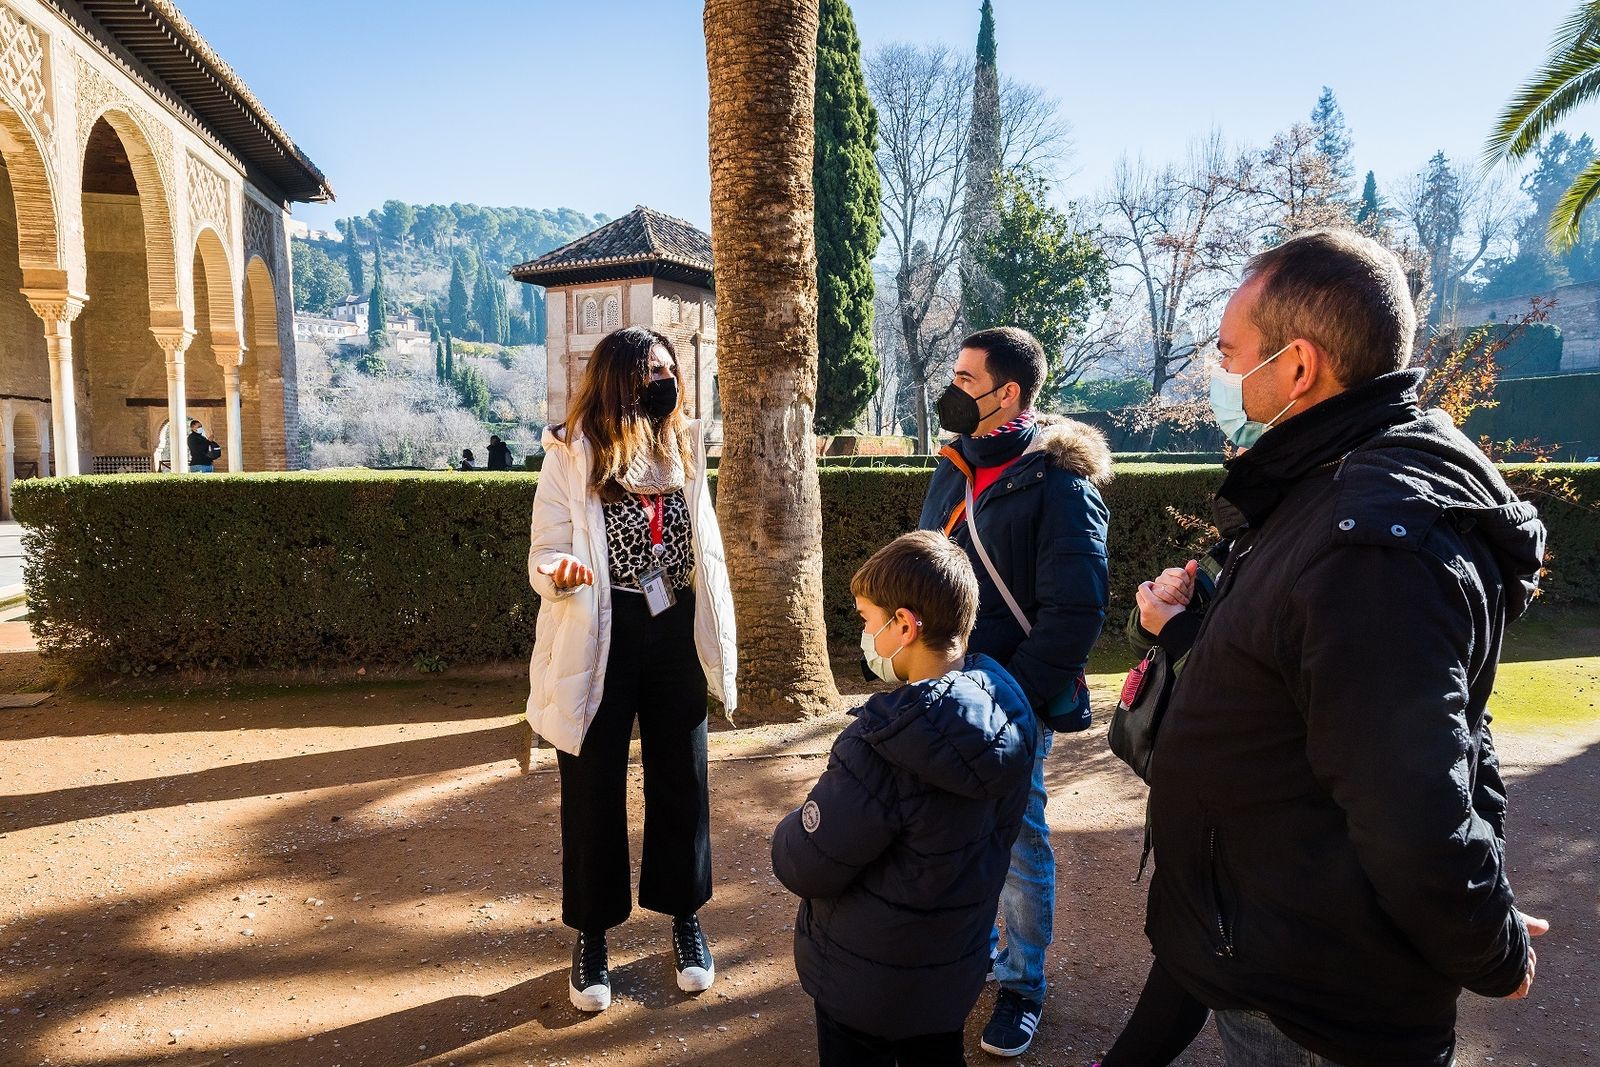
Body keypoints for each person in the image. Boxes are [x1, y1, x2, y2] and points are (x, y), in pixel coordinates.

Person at [1145, 228, 1549, 1066]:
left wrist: (1493, 945)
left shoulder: (1369, 541)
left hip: (1320, 1008)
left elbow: (1415, 800)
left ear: (1297, 367)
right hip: (1280, 960)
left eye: (1228, 353)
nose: (1215, 376)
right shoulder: (1325, 485)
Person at [526, 325, 737, 1014]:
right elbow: (545, 548)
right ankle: (591, 934)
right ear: (619, 374)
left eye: (670, 368)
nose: (665, 379)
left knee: (685, 776)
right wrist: (557, 572)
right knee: (591, 784)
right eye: (652, 368)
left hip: (674, 626)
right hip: (601, 630)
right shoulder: (570, 453)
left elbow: (703, 544)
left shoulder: (685, 445)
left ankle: (686, 920)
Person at [917, 326, 1112, 1057]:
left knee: (1020, 833)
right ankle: (979, 955)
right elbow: (926, 559)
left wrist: (1013, 699)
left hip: (1011, 698)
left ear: (1010, 394)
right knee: (952, 830)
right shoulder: (954, 462)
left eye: (967, 379)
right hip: (943, 688)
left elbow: (1077, 611)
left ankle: (1023, 981)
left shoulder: (1060, 482)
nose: (953, 389)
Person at [773, 531, 1036, 1067]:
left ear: (904, 625)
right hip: (951, 972)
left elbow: (807, 865)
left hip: (865, 981)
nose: (866, 634)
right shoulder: (1008, 713)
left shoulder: (882, 746)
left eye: (870, 620)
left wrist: (794, 826)